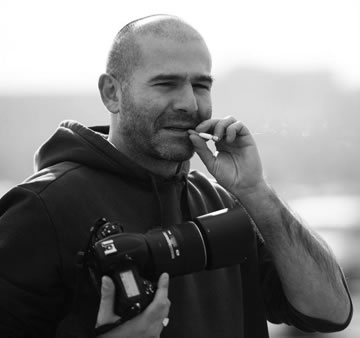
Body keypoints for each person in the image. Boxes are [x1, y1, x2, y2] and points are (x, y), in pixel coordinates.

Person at [0, 14, 353, 338]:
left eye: (201, 85)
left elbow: (330, 312)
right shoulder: (42, 207)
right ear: (112, 93)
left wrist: (256, 191)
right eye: (166, 84)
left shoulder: (222, 202)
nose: (189, 103)